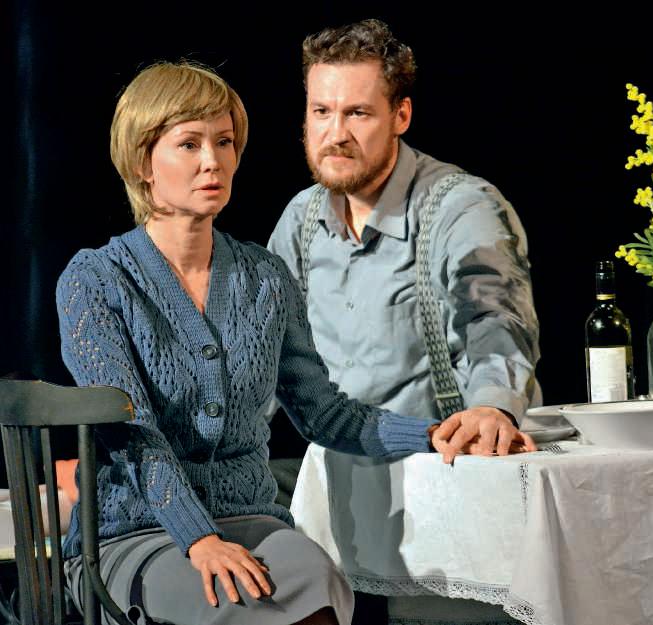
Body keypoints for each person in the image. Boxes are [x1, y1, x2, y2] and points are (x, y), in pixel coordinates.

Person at [55, 61, 529, 625]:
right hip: (135, 533)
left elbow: (326, 413)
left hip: (252, 521)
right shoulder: (96, 280)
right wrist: (200, 539)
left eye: (225, 142)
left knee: (316, 579)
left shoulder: (264, 277)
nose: (213, 161)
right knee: (235, 599)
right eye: (189, 144)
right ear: (142, 162)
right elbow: (134, 437)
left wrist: (432, 434)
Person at [267, 18, 541, 624]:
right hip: (339, 497)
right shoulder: (301, 219)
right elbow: (261, 359)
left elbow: (495, 319)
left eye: (358, 113)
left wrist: (491, 407)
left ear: (401, 115)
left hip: (445, 486)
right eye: (321, 112)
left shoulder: (460, 205)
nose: (336, 134)